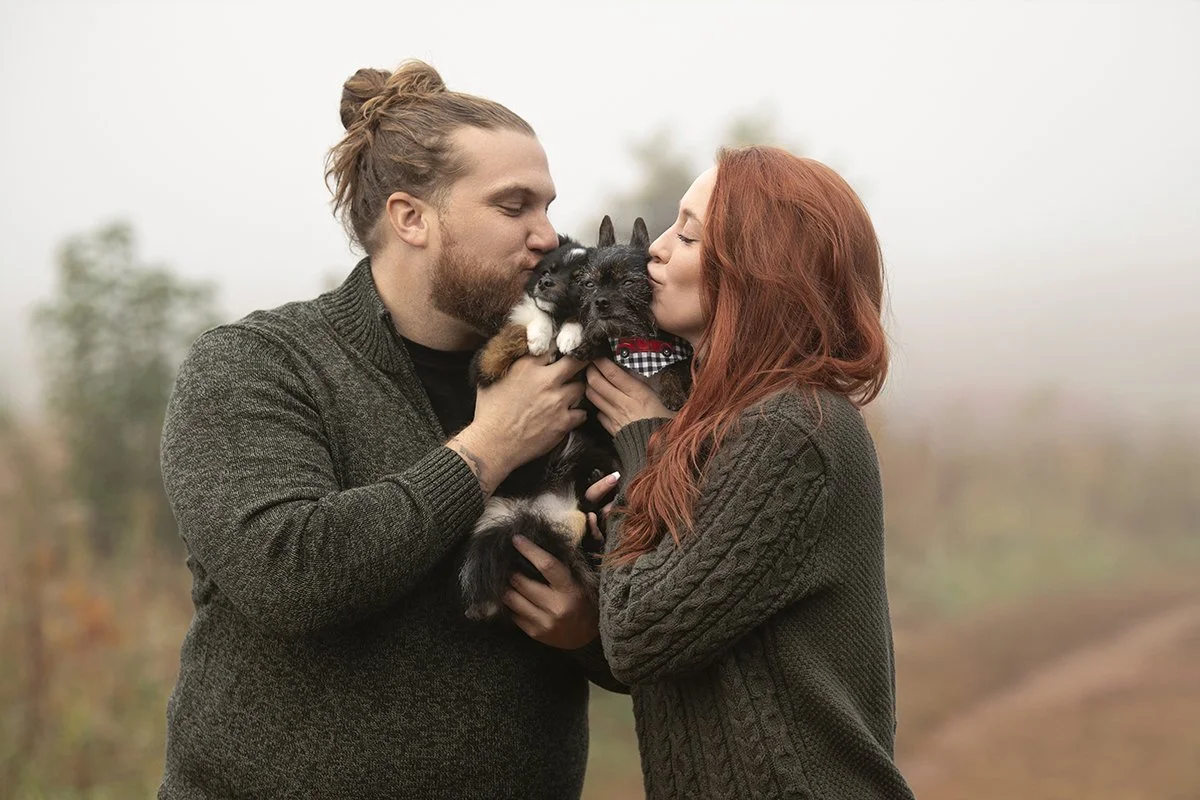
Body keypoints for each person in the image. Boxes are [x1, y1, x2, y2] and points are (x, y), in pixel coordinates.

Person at [157, 60, 623, 799]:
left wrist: (591, 635)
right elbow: (288, 574)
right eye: (514, 207)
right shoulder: (258, 366)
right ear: (411, 218)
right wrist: (490, 447)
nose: (549, 235)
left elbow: (658, 603)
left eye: (548, 207)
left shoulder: (571, 378)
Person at [573, 145, 917, 798]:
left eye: (689, 234)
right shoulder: (723, 427)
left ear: (759, 269)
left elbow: (643, 637)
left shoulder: (788, 428)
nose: (658, 250)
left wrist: (639, 443)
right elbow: (669, 653)